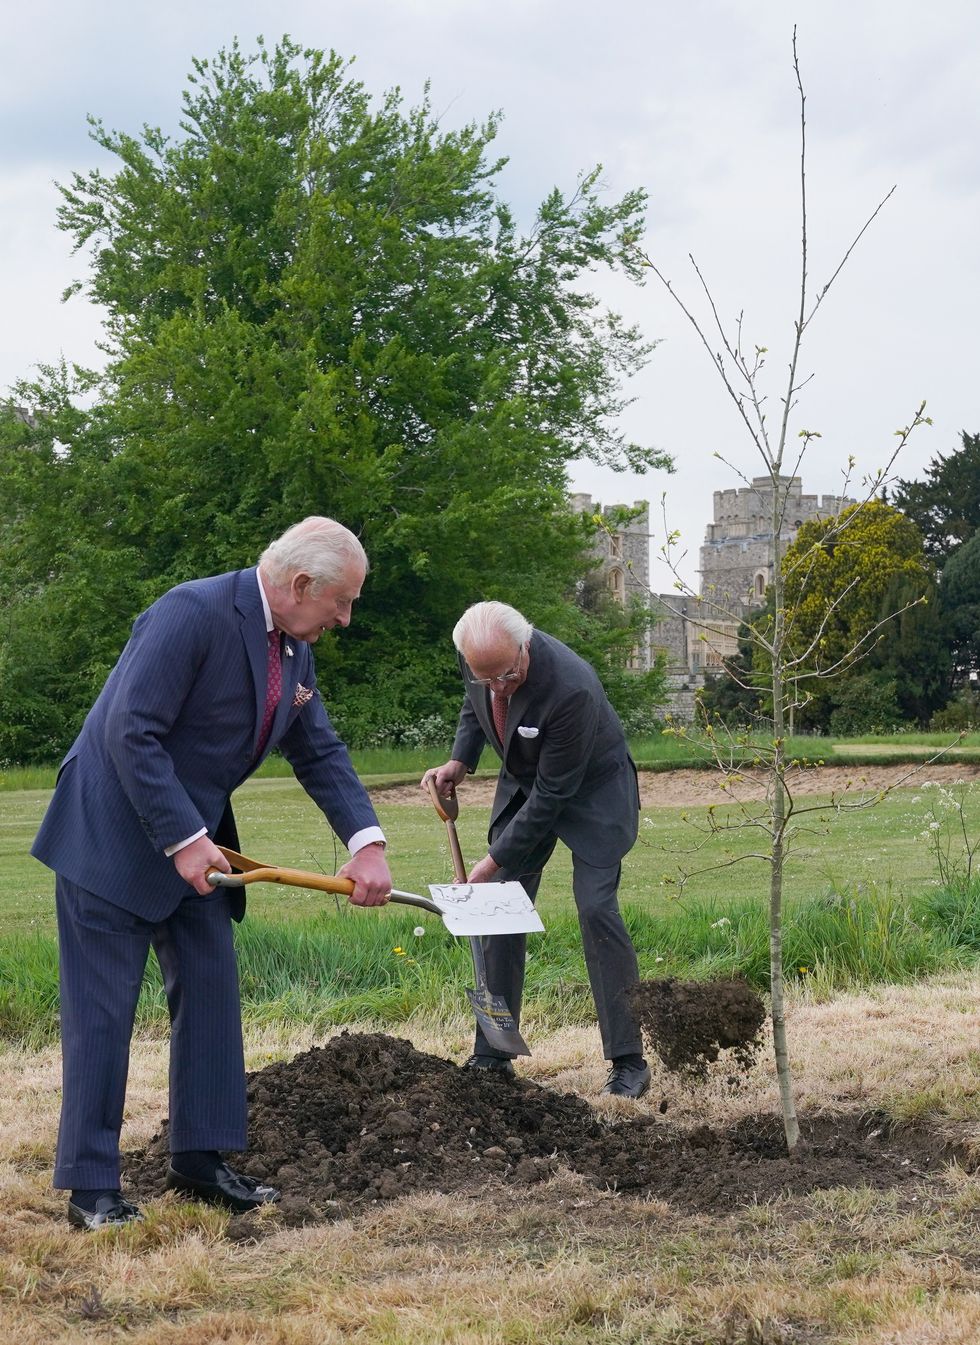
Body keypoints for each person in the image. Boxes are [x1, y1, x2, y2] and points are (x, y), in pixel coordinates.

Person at [32, 517, 392, 1230]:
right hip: (110, 836)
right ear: (299, 585)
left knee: (211, 989)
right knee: (103, 1015)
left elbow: (319, 750)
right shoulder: (190, 612)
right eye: (342, 601)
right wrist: (185, 837)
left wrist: (366, 841)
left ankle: (199, 1159)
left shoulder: (292, 651)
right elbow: (128, 728)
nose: (346, 618)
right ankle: (92, 1188)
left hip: (199, 855)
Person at [422, 600, 650, 1099]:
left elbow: (553, 796)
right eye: (488, 678)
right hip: (527, 783)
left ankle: (628, 1060)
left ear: (525, 645)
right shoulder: (481, 658)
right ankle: (492, 1054)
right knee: (500, 909)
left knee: (596, 908)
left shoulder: (572, 687)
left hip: (591, 793)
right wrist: (461, 760)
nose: (499, 686)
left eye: (508, 674)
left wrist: (492, 861)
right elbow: (474, 700)